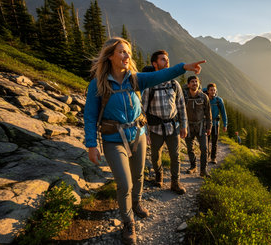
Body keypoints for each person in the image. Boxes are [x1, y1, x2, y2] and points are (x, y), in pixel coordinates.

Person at [84, 37, 205, 245]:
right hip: (113, 139)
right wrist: (91, 144)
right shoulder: (98, 84)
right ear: (110, 55)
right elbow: (90, 116)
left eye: (128, 52)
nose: (126, 56)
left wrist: (182, 67)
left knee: (138, 175)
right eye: (122, 52)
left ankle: (137, 204)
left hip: (138, 134)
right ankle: (128, 222)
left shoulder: (135, 79)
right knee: (124, 183)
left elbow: (160, 75)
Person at [142, 50, 187, 195]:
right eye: (163, 60)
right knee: (155, 156)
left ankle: (175, 182)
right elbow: (142, 110)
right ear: (155, 64)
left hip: (173, 126)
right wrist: (145, 131)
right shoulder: (149, 85)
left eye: (167, 59)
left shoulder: (174, 84)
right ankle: (159, 175)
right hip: (155, 128)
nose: (167, 61)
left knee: (175, 155)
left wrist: (184, 125)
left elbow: (181, 105)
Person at [184, 76, 212, 177]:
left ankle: (203, 170)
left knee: (204, 148)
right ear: (188, 84)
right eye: (192, 82)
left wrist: (209, 127)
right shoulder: (184, 97)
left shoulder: (204, 97)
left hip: (201, 126)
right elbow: (180, 111)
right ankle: (193, 166)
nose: (195, 83)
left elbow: (208, 113)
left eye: (196, 82)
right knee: (190, 148)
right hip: (188, 126)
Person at [205, 83, 227, 164]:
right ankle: (206, 157)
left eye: (214, 90)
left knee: (214, 142)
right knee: (206, 141)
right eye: (211, 90)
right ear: (208, 91)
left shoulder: (219, 100)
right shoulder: (205, 99)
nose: (213, 91)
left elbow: (223, 113)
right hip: (206, 124)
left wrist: (225, 124)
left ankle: (213, 158)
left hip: (215, 124)